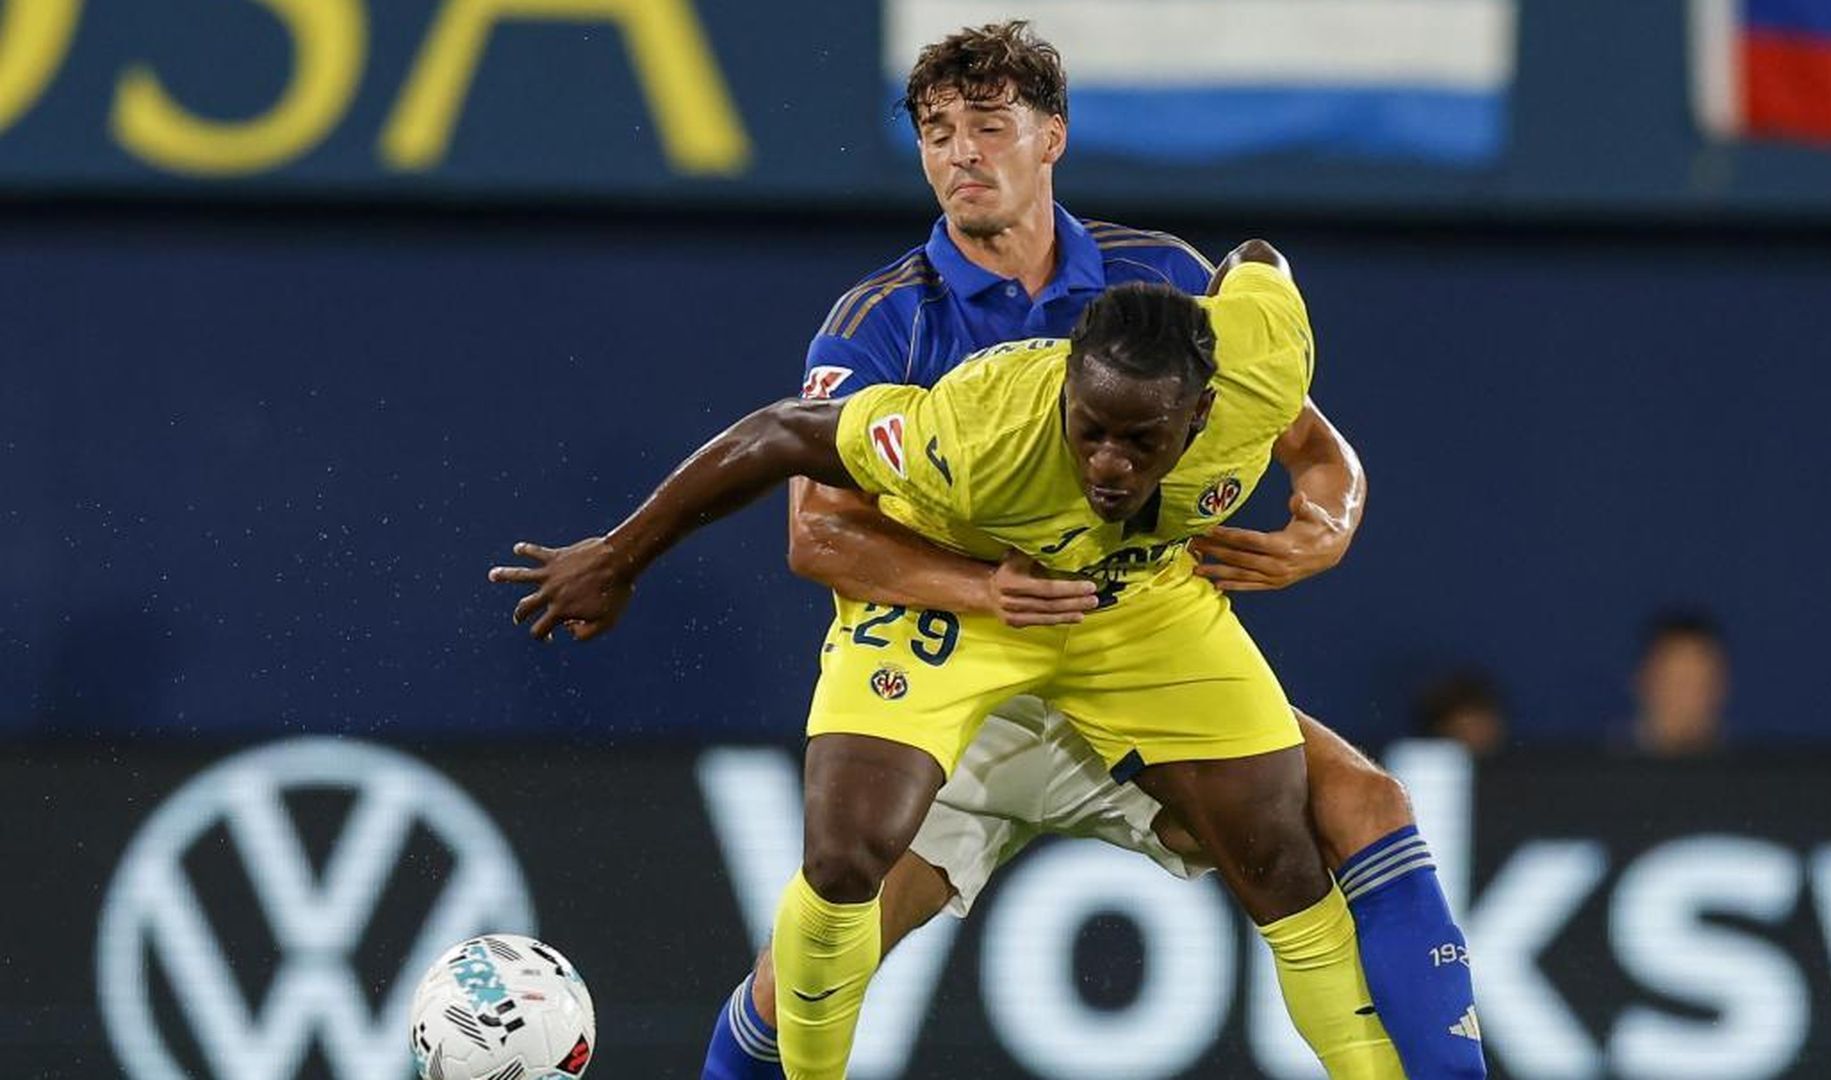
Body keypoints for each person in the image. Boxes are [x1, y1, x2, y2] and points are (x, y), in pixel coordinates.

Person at [697, 22, 1478, 1080]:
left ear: (1052, 135)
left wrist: (1325, 525)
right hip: (958, 679)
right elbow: (819, 533)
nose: (961, 154)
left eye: (988, 126)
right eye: (937, 133)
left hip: (1126, 658)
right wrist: (989, 589)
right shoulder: (881, 322)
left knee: (1365, 807)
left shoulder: (1159, 280)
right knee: (799, 975)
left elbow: (1304, 438)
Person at [493, 245, 1403, 1078]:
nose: (1110, 465)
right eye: (1091, 430)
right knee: (843, 859)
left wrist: (1330, 519)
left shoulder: (1256, 373)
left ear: (1202, 414)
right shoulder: (973, 432)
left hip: (1133, 620)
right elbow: (780, 439)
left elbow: (1258, 264)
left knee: (1285, 861)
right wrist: (620, 556)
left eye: (1141, 442)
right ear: (1065, 393)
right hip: (964, 617)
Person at [1629, 609, 1729, 757]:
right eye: (1675, 683)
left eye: (1697, 685)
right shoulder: (1602, 766)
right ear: (1643, 682)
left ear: (1720, 688)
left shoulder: (1753, 768)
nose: (1686, 699)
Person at [1414, 669, 1508, 756]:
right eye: (1465, 728)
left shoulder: (1514, 761)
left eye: (1482, 724)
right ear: (1441, 728)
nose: (1478, 734)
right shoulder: (1423, 763)